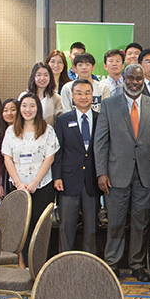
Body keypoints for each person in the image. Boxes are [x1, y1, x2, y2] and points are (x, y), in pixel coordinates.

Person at [96, 64, 150, 281]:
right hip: (116, 173)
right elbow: (101, 142)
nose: (134, 83)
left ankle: (137, 265)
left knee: (140, 222)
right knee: (115, 221)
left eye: (139, 79)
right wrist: (101, 173)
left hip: (145, 175)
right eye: (130, 78)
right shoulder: (109, 105)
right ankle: (113, 264)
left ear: (144, 80)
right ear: (123, 79)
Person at [3, 92, 59, 266]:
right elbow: (7, 158)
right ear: (20, 109)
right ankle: (23, 266)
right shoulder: (11, 131)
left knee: (40, 227)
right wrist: (19, 184)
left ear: (38, 108)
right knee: (22, 228)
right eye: (25, 105)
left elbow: (49, 158)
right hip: (18, 188)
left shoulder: (47, 130)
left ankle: (40, 265)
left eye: (32, 106)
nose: (28, 110)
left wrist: (35, 182)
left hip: (42, 186)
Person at [53, 79, 102, 253]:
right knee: (66, 227)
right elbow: (58, 152)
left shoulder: (101, 119)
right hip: (68, 181)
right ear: (72, 96)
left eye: (87, 93)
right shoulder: (62, 120)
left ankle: (90, 266)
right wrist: (57, 176)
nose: (83, 97)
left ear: (92, 96)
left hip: (92, 182)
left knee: (92, 228)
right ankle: (64, 264)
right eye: (79, 93)